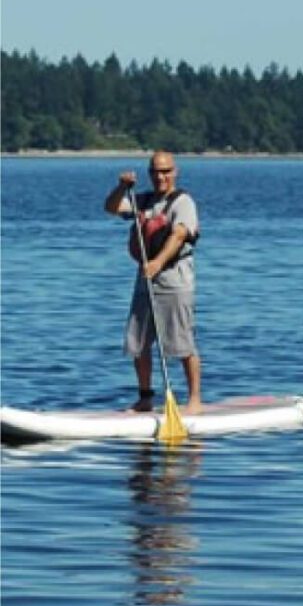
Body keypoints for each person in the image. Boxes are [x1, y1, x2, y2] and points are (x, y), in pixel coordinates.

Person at [104, 151, 202, 413]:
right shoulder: (143, 201)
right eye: (156, 172)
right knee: (139, 343)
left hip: (174, 280)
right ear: (149, 173)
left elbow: (179, 235)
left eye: (166, 171)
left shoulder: (183, 203)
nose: (161, 177)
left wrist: (158, 262)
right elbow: (111, 207)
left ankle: (194, 400)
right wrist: (122, 187)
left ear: (175, 171)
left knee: (181, 342)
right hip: (144, 279)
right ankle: (145, 397)